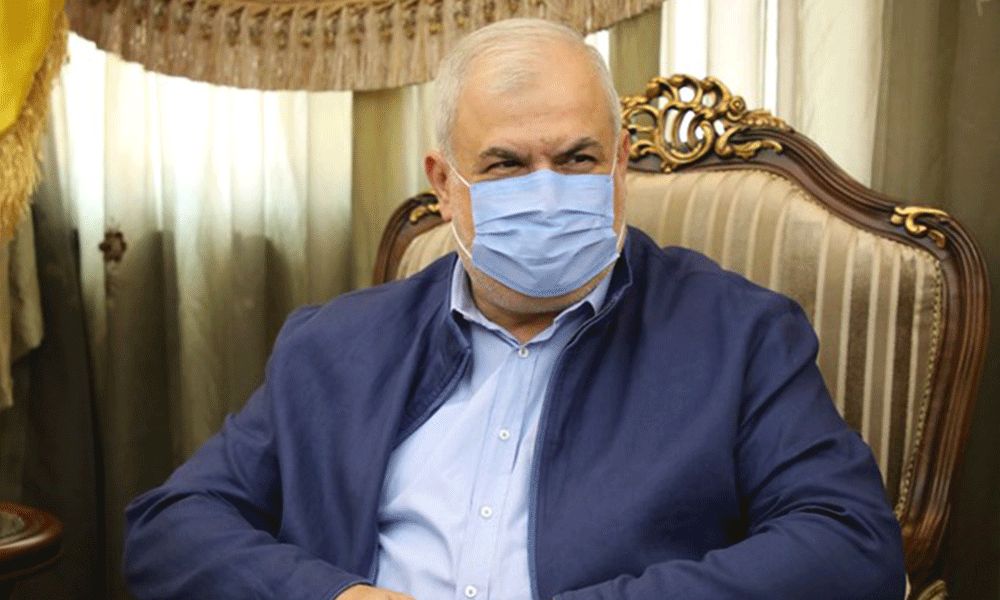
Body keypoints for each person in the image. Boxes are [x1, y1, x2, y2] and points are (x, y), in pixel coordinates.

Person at [123, 18, 905, 600]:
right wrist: (334, 597)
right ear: (443, 183)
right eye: (504, 165)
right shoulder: (334, 345)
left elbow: (850, 545)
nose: (546, 190)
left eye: (577, 158)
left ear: (620, 164)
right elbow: (171, 528)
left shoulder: (740, 336)